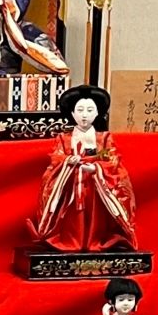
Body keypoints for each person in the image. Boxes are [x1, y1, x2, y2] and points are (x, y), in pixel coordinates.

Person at [30, 86, 139, 254]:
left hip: (97, 188)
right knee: (72, 219)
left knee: (96, 218)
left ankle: (95, 241)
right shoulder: (63, 138)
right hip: (70, 187)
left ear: (97, 113)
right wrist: (67, 162)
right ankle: (71, 241)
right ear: (72, 113)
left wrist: (96, 168)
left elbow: (111, 160)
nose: (85, 114)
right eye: (80, 110)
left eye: (90, 110)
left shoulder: (104, 138)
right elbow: (56, 159)